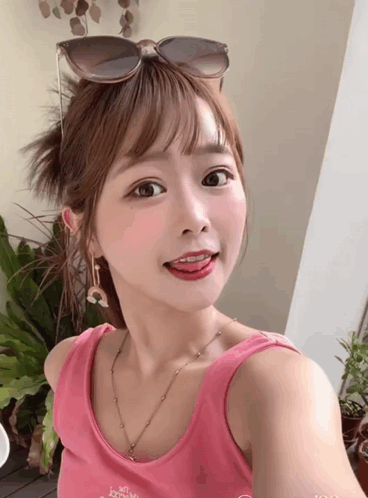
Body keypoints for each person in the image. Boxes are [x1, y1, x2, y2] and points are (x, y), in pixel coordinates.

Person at [20, 40, 366, 498]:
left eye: (214, 177)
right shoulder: (67, 368)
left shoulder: (275, 392)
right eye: (147, 188)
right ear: (86, 230)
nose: (195, 217)